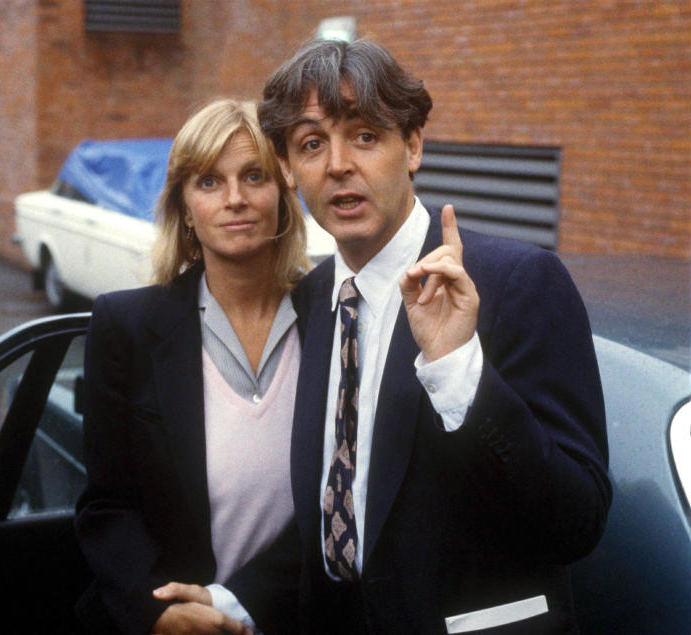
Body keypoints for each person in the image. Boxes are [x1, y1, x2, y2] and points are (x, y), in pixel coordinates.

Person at [257, 38, 610, 633]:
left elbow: (576, 521)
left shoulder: (514, 282)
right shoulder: (311, 298)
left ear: (413, 146)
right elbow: (331, 505)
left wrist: (458, 368)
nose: (339, 163)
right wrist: (234, 599)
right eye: (313, 144)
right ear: (290, 168)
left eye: (365, 135)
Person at [75, 99, 307, 634]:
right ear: (183, 207)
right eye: (209, 182)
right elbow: (106, 505)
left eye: (254, 176)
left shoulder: (334, 318)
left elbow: (347, 502)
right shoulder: (125, 325)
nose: (235, 200)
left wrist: (239, 601)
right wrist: (155, 611)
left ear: (283, 195)